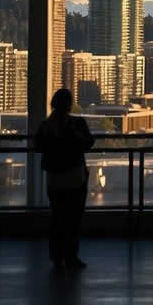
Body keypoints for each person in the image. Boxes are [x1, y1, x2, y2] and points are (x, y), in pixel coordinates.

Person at [35, 88, 94, 272]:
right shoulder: (77, 124)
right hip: (75, 176)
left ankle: (57, 256)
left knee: (57, 218)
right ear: (70, 104)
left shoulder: (46, 126)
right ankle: (71, 256)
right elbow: (89, 143)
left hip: (55, 178)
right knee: (73, 219)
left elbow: (38, 147)